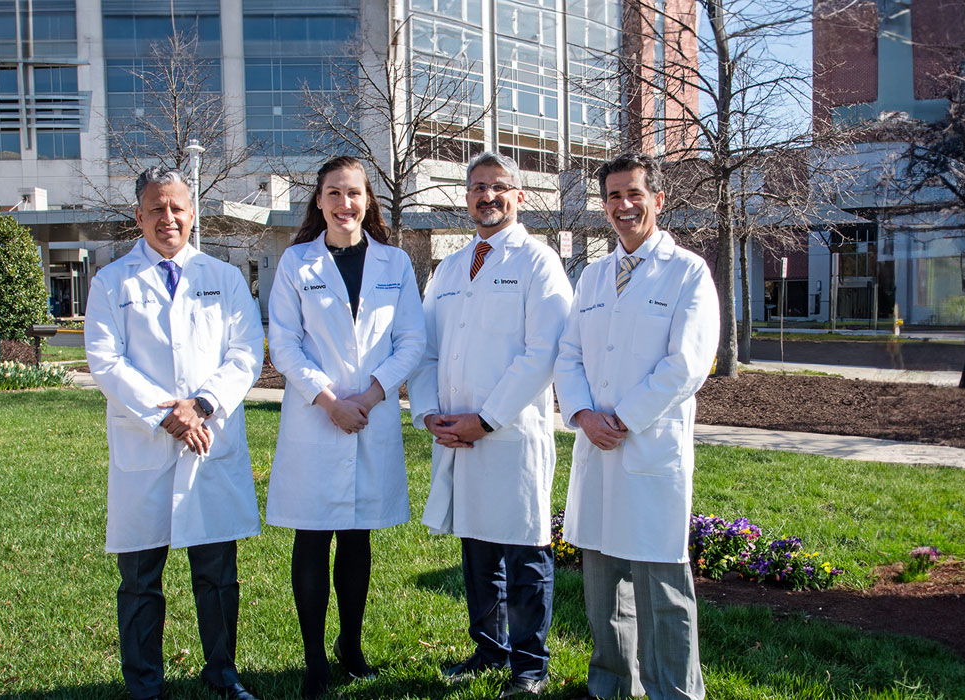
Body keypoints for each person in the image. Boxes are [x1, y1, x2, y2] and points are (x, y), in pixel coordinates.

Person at [84, 168, 266, 700]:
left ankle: (222, 674)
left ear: (193, 213)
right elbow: (105, 360)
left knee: (217, 575)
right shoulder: (111, 282)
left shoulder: (225, 277)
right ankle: (145, 686)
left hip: (208, 441)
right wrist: (168, 415)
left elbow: (245, 352)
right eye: (156, 209)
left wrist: (202, 406)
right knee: (140, 579)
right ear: (138, 216)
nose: (168, 219)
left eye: (177, 208)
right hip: (147, 444)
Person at [552, 153, 720, 700]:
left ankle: (676, 691)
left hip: (648, 449)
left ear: (658, 201)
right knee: (603, 587)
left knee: (662, 587)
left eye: (634, 194)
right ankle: (610, 685)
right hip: (596, 447)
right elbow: (569, 353)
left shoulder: (687, 271)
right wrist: (580, 414)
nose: (624, 206)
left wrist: (620, 418)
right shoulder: (595, 275)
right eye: (613, 197)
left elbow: (687, 363)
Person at [409, 151, 573, 698]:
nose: (487, 197)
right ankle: (489, 649)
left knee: (524, 550)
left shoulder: (538, 262)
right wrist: (429, 413)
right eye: (478, 187)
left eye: (499, 187)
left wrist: (485, 419)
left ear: (518, 196)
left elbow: (541, 352)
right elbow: (427, 351)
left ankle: (528, 667)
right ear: (466, 196)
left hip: (510, 435)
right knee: (477, 545)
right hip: (456, 434)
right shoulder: (450, 268)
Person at [265, 156, 426, 698]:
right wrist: (330, 400)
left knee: (357, 540)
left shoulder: (395, 264)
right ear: (318, 201)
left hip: (371, 417)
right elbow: (284, 343)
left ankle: (350, 647)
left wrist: (374, 393)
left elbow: (411, 341)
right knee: (312, 537)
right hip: (317, 419)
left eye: (354, 193)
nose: (344, 204)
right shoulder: (295, 263)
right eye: (333, 193)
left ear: (368, 201)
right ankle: (314, 657)